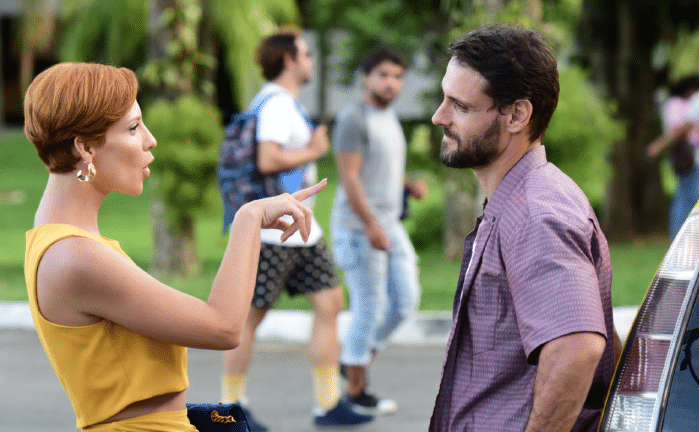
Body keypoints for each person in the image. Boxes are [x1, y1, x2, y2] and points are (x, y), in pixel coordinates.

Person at [23, 62, 326, 432]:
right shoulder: (76, 257)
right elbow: (225, 328)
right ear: (85, 148)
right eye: (133, 128)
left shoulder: (58, 239)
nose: (150, 140)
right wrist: (248, 220)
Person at [429, 25, 616, 432]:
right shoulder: (517, 201)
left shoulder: (537, 213)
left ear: (516, 114)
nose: (438, 116)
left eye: (459, 105)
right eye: (444, 98)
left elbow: (577, 346)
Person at [219, 29, 373, 429]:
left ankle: (328, 404)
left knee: (330, 303)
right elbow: (268, 160)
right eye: (305, 53)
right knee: (247, 320)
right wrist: (315, 151)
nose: (311, 60)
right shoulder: (275, 106)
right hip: (274, 231)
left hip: (302, 228)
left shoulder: (281, 103)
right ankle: (227, 410)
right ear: (288, 60)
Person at [330, 47, 425, 415]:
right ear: (366, 77)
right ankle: (355, 391)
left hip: (390, 225)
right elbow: (350, 177)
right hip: (359, 228)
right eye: (384, 75)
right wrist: (370, 225)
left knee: (404, 303)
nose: (392, 83)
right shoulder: (354, 118)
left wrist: (406, 186)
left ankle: (355, 358)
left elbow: (380, 169)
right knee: (368, 308)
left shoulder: (390, 117)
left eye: (398, 76)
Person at [646, 74, 699, 238]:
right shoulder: (685, 102)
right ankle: (680, 237)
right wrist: (658, 144)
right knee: (687, 198)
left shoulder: (694, 100)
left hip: (693, 156)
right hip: (690, 157)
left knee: (688, 197)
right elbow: (681, 128)